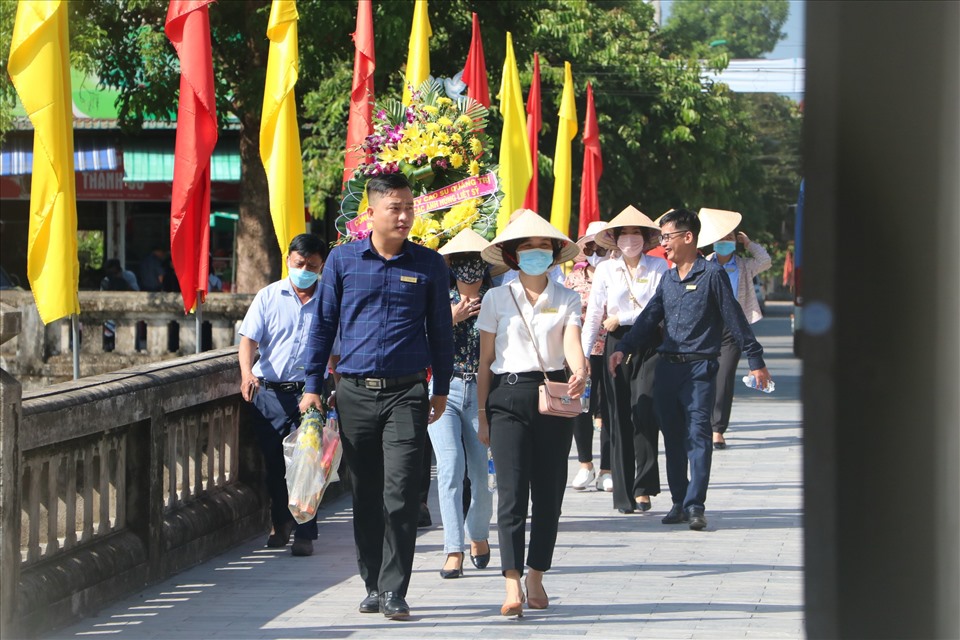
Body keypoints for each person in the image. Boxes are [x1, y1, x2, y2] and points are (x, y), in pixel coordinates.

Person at [298, 173, 453, 621]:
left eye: (409, 207)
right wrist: (311, 386)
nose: (405, 216)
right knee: (364, 494)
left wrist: (439, 387)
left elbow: (440, 331)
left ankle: (394, 589)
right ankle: (370, 581)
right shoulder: (343, 262)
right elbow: (322, 327)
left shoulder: (429, 264)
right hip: (354, 394)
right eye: (395, 208)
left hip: (407, 392)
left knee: (402, 492)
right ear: (372, 213)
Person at [609, 208, 771, 532]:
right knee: (672, 437)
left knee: (698, 435)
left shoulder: (712, 276)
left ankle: (696, 505)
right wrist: (623, 347)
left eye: (667, 237)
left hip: (699, 369)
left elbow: (734, 319)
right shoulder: (668, 279)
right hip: (668, 369)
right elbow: (649, 317)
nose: (663, 243)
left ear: (688, 237)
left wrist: (756, 360)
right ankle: (679, 502)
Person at [475, 209, 587, 617]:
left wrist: (580, 370)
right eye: (527, 247)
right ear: (512, 254)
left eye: (543, 247)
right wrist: (483, 415)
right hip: (506, 397)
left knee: (550, 492)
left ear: (554, 253)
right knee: (510, 493)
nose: (536, 253)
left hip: (553, 396)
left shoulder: (567, 297)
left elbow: (572, 340)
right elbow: (485, 361)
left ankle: (536, 574)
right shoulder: (495, 297)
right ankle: (511, 582)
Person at [238, 233, 327, 557]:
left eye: (312, 265)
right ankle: (281, 522)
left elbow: (337, 352)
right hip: (270, 393)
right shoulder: (269, 296)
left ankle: (305, 532)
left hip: (311, 393)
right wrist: (247, 373)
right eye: (299, 263)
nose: (304, 269)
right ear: (289, 259)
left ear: (321, 267)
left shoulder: (329, 299)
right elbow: (248, 339)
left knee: (308, 463)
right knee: (275, 465)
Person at [584, 206, 669, 514]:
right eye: (624, 234)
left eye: (636, 234)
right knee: (617, 414)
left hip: (650, 343)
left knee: (644, 406)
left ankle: (645, 485)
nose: (631, 239)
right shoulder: (607, 269)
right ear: (615, 239)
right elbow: (595, 312)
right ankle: (623, 492)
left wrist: (624, 316)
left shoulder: (659, 267)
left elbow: (659, 307)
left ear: (645, 238)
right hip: (616, 343)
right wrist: (582, 354)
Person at [429, 228, 496, 579]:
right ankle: (453, 547)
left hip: (482, 391)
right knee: (450, 467)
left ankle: (479, 534)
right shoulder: (438, 298)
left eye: (477, 262)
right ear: (452, 265)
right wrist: (450, 319)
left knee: (479, 473)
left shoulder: (498, 298)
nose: (470, 268)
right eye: (462, 262)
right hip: (444, 388)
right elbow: (420, 341)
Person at [698, 208, 772, 449]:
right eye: (721, 239)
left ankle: (718, 429)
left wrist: (748, 243)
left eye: (730, 238)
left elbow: (765, 261)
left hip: (733, 328)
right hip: (707, 326)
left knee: (724, 375)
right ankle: (702, 423)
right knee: (705, 375)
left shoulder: (744, 266)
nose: (725, 243)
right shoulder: (704, 264)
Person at [564, 221, 613, 492]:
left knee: (608, 409)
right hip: (580, 354)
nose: (597, 252)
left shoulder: (618, 274)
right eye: (592, 247)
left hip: (611, 351)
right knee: (580, 410)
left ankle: (607, 468)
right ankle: (585, 464)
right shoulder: (574, 278)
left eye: (603, 247)